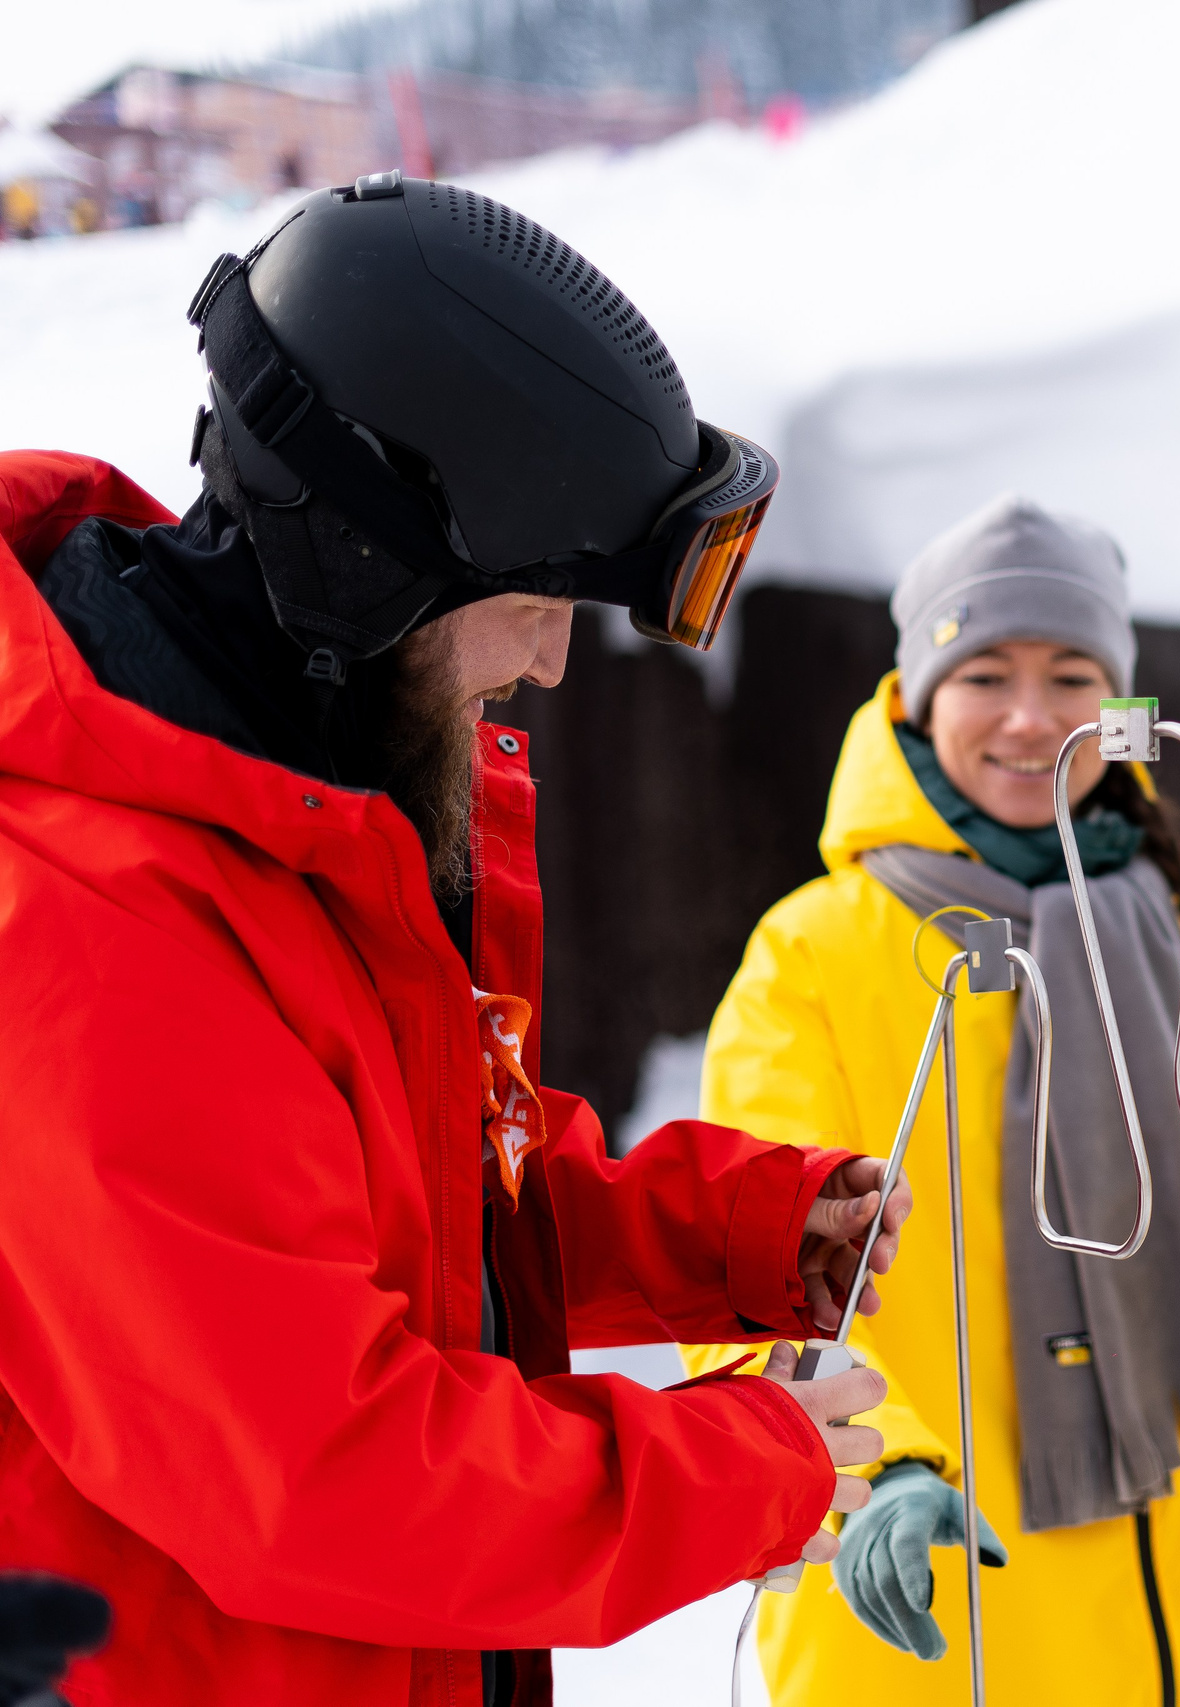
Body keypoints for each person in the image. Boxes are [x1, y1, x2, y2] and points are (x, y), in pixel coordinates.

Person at [0, 174, 910, 1706]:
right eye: (536, 597)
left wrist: (744, 1237)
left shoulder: (299, 802)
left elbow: (441, 1196)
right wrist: (743, 1465)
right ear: (365, 565)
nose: (554, 659)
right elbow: (313, 1467)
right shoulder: (94, 913)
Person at [683, 492, 1180, 1707]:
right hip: (950, 1596)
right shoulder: (818, 955)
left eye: (1074, 677)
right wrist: (877, 1467)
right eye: (985, 675)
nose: (1031, 717)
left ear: (1124, 710)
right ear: (912, 699)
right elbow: (740, 1266)